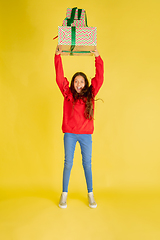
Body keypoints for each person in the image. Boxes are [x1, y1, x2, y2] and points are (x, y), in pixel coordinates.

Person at [54, 45, 104, 208]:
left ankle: (90, 194)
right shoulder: (67, 94)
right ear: (73, 83)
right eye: (76, 81)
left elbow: (100, 78)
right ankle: (64, 195)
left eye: (82, 81)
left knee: (87, 164)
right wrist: (57, 56)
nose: (79, 84)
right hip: (69, 134)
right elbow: (60, 77)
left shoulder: (91, 94)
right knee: (68, 163)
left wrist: (97, 57)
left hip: (85, 135)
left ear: (86, 83)